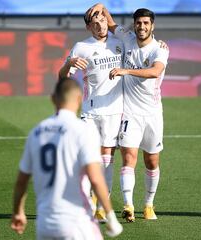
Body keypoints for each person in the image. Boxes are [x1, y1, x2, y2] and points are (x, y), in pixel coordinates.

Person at [11, 77, 123, 239]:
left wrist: (18, 212)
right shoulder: (83, 130)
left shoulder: (36, 132)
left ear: (52, 99)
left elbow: (21, 181)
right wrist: (111, 217)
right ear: (79, 99)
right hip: (77, 223)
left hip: (45, 225)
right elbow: (96, 178)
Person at [87, 4, 169, 222]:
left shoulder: (159, 49)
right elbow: (110, 22)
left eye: (146, 23)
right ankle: (128, 206)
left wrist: (126, 70)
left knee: (152, 161)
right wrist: (100, 6)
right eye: (138, 23)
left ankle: (149, 205)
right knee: (128, 158)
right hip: (129, 113)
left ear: (152, 26)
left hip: (152, 114)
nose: (141, 27)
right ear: (134, 24)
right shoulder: (127, 38)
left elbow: (155, 71)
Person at [58, 7, 124, 222]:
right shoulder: (82, 47)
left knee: (108, 160)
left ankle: (102, 205)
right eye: (95, 22)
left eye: (102, 20)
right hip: (91, 111)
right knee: (89, 158)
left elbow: (143, 43)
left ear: (107, 20)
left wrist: (159, 43)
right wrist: (68, 63)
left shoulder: (120, 42)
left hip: (114, 110)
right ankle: (88, 202)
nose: (100, 25)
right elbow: (63, 78)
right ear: (88, 27)